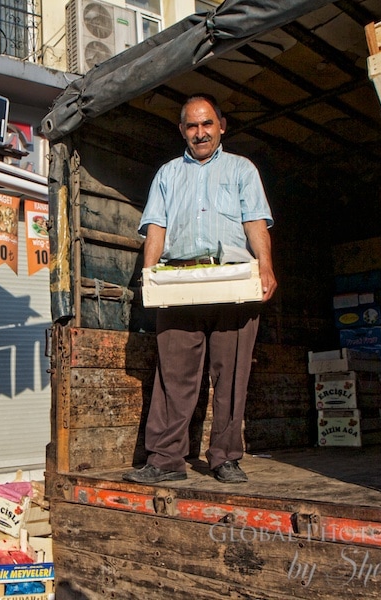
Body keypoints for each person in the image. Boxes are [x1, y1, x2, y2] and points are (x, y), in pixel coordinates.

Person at [124, 94, 277, 485]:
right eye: (192, 126)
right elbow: (156, 227)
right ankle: (165, 460)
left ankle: (225, 457)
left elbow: (256, 223)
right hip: (180, 283)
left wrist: (266, 268)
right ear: (182, 131)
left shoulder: (242, 170)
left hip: (232, 281)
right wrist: (150, 274)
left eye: (207, 124)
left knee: (232, 374)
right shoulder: (168, 174)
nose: (200, 132)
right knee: (173, 376)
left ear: (221, 126)